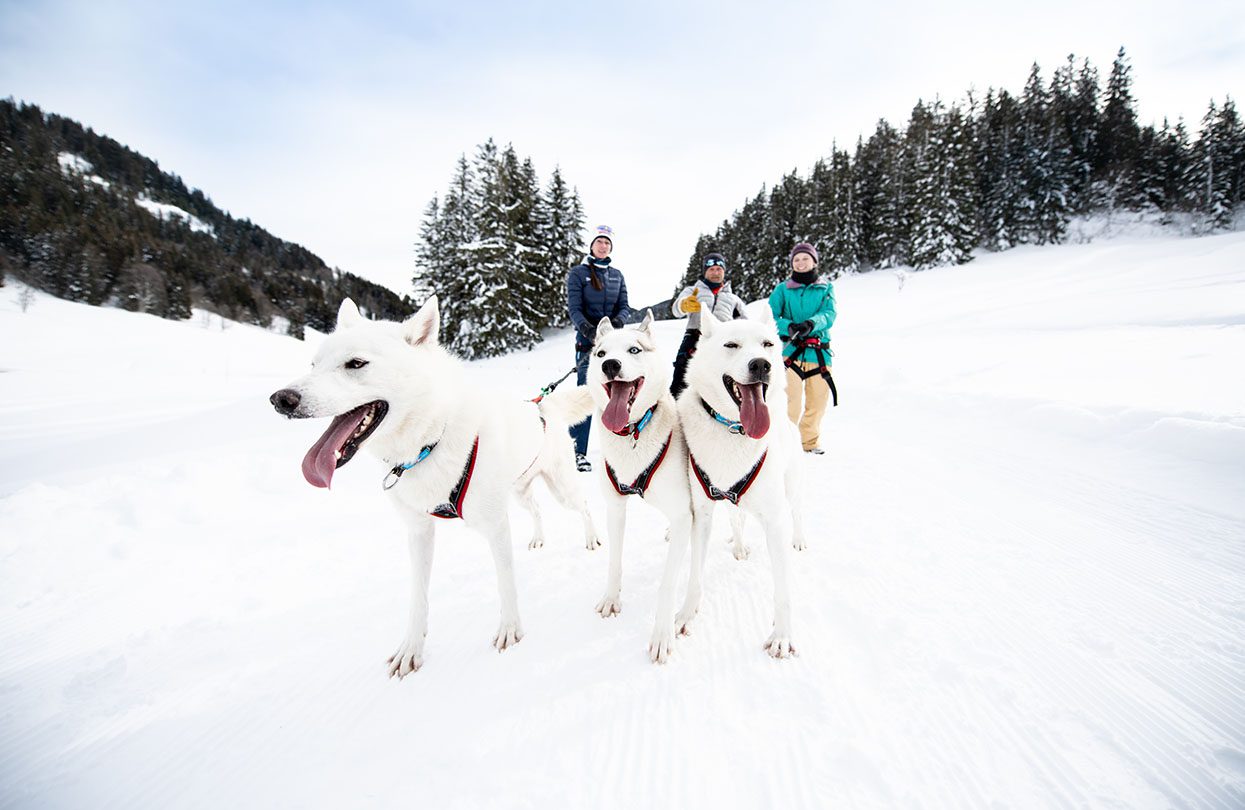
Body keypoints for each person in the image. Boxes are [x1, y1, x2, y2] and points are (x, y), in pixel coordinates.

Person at [566, 224, 635, 472]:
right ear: (592, 245)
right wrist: (588, 330)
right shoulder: (578, 273)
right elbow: (574, 308)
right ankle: (577, 451)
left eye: (607, 242)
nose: (603, 246)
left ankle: (617, 451)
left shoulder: (617, 275)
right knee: (586, 396)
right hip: (588, 343)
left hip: (613, 344)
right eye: (599, 241)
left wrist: (617, 324)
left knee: (616, 394)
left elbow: (624, 305)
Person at [768, 242, 836, 454]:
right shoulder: (782, 290)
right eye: (796, 259)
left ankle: (809, 442)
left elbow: (830, 313)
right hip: (791, 352)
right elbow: (770, 315)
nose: (800, 262)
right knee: (790, 402)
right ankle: (786, 443)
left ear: (814, 261)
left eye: (805, 258)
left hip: (819, 353)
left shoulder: (826, 288)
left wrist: (812, 324)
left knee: (817, 402)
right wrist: (787, 326)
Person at [670, 252, 747, 397]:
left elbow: (745, 324)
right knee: (680, 384)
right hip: (694, 339)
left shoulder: (733, 299)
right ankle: (675, 417)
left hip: (723, 342)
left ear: (724, 272)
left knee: (719, 384)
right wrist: (684, 305)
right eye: (711, 269)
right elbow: (676, 310)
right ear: (705, 271)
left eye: (719, 269)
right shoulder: (692, 291)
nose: (715, 272)